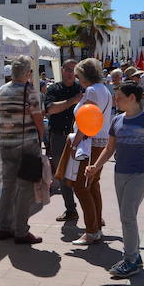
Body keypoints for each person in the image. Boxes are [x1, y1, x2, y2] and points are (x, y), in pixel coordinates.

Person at [86, 82, 144, 277]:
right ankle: (135, 256)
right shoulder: (116, 120)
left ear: (132, 98)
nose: (116, 100)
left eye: (119, 97)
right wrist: (96, 167)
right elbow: (109, 148)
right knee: (127, 216)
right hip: (120, 173)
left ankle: (130, 260)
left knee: (127, 215)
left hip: (140, 174)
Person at [0, 55, 44, 245]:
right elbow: (38, 120)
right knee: (25, 189)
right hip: (26, 146)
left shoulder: (1, 90)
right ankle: (21, 231)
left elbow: (1, 112)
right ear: (27, 73)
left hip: (5, 143)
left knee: (8, 187)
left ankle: (4, 227)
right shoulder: (30, 91)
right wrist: (40, 139)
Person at [70, 58, 113, 245]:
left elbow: (87, 119)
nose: (77, 78)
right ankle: (96, 226)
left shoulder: (92, 91)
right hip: (100, 141)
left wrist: (75, 142)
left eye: (78, 75)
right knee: (93, 184)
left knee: (81, 185)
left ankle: (92, 230)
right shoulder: (104, 90)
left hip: (90, 142)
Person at [44, 59, 83, 222]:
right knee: (63, 174)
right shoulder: (54, 88)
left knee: (82, 174)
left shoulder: (83, 88)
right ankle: (71, 209)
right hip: (59, 136)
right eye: (67, 69)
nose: (70, 73)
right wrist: (73, 101)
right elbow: (51, 109)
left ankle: (93, 211)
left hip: (81, 137)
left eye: (74, 70)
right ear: (62, 70)